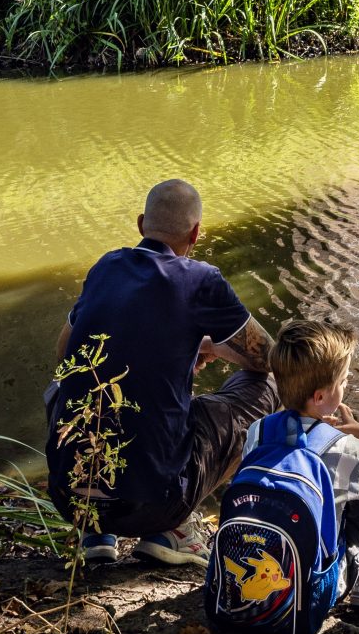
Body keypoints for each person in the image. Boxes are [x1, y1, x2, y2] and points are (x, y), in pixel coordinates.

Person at [46, 177, 275, 568]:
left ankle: (96, 533)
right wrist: (215, 346)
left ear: (141, 224)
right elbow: (267, 357)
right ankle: (175, 528)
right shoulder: (201, 280)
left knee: (59, 388)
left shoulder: (105, 267)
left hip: (71, 501)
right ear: (196, 233)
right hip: (156, 505)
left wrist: (189, 346)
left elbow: (64, 351)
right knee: (270, 386)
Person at [229, 317, 359, 613]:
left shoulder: (258, 430)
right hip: (313, 591)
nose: (346, 384)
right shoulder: (344, 447)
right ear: (321, 396)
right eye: (344, 381)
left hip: (263, 568)